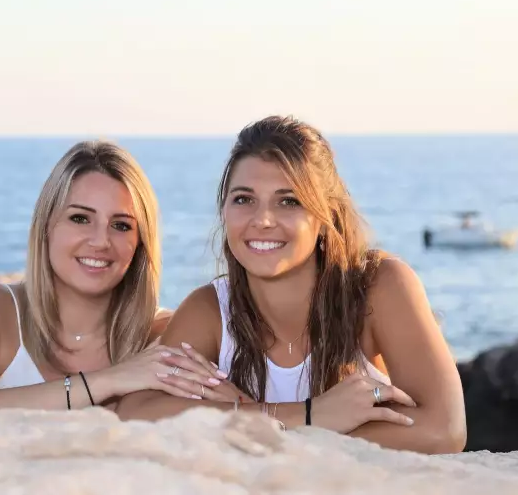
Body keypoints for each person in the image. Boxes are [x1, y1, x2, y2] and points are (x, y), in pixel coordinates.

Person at [116, 116, 467, 454]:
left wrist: (249, 414)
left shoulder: (377, 286)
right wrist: (308, 415)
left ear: (324, 217)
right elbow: (137, 413)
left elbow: (443, 430)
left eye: (289, 201)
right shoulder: (211, 309)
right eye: (244, 199)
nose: (262, 220)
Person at [0, 140, 212, 415]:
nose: (100, 241)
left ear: (140, 243)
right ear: (47, 225)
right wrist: (106, 381)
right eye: (80, 218)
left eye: (121, 225)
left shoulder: (167, 335)